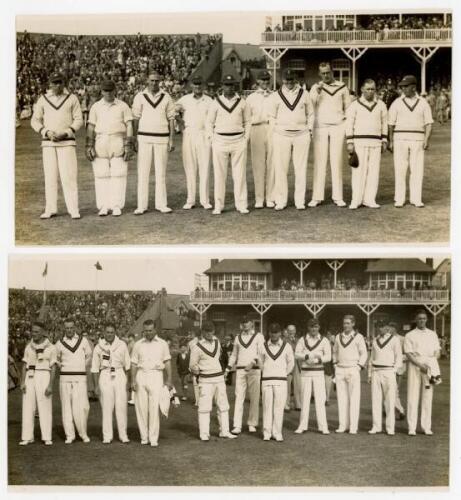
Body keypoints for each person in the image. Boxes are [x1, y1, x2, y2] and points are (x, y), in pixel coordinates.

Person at [31, 72, 83, 219]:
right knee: (50, 177)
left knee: (69, 177)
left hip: (67, 143)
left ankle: (73, 209)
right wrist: (46, 132)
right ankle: (50, 209)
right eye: (54, 82)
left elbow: (78, 120)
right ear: (50, 84)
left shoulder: (72, 98)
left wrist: (66, 132)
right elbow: (35, 121)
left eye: (59, 82)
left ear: (64, 82)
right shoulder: (43, 99)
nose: (57, 85)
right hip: (48, 144)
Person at [86, 79, 134, 216]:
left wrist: (129, 143)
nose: (108, 93)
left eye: (110, 90)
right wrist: (89, 145)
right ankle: (103, 206)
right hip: (101, 140)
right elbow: (91, 126)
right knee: (101, 175)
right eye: (105, 90)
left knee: (119, 174)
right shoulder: (96, 106)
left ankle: (117, 205)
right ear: (101, 91)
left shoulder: (123, 106)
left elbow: (129, 125)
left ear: (115, 90)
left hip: (117, 139)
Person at [268, 69, 314, 210]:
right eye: (287, 80)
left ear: (296, 79)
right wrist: (276, 130)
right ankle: (281, 200)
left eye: (292, 79)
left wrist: (309, 130)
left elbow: (311, 114)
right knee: (281, 168)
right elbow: (271, 116)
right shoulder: (276, 96)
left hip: (301, 134)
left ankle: (299, 201)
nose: (289, 82)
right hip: (282, 135)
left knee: (300, 168)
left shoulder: (304, 94)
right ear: (282, 80)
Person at [206, 74, 251, 215]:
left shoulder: (242, 102)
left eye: (231, 85)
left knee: (240, 175)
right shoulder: (215, 102)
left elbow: (248, 122)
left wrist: (246, 138)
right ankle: (218, 205)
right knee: (220, 175)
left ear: (235, 86)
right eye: (226, 85)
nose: (229, 88)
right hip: (220, 141)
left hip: (238, 140)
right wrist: (212, 138)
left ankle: (241, 204)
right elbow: (209, 122)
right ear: (222, 86)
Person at [132, 72, 176, 214]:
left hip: (162, 138)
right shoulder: (140, 97)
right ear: (147, 81)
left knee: (160, 172)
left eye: (157, 81)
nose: (154, 83)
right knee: (143, 173)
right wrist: (134, 138)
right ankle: (141, 205)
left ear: (160, 82)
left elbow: (171, 119)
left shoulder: (166, 97)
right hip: (144, 138)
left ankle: (161, 204)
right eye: (151, 80)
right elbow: (136, 119)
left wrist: (171, 139)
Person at [309, 62, 351, 208]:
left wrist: (345, 126)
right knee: (320, 162)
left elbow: (348, 108)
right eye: (323, 73)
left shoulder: (342, 87)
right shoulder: (315, 87)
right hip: (320, 127)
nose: (326, 75)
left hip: (338, 127)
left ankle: (338, 197)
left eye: (328, 72)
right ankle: (317, 197)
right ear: (319, 74)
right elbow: (310, 105)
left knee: (336, 161)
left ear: (332, 72)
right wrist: (317, 92)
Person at [388, 75, 433, 208]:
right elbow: (391, 124)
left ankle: (416, 198)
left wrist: (426, 139)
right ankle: (400, 198)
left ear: (414, 87)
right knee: (400, 169)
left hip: (418, 139)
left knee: (417, 169)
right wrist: (391, 141)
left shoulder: (423, 102)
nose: (403, 89)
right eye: (402, 87)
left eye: (406, 86)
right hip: (399, 138)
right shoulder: (397, 102)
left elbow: (429, 123)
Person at [189, 321, 237, 440]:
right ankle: (204, 434)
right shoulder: (197, 347)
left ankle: (224, 431)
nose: (209, 333)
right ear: (202, 332)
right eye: (206, 331)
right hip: (205, 380)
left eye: (211, 331)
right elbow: (192, 365)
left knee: (223, 405)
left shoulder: (217, 342)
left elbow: (219, 358)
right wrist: (201, 373)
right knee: (205, 407)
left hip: (219, 379)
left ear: (214, 331)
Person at [345, 79, 388, 209]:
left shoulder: (381, 105)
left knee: (373, 171)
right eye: (368, 89)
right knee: (358, 171)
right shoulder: (354, 105)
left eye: (373, 89)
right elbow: (349, 124)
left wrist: (384, 139)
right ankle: (356, 200)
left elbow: (384, 123)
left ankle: (369, 199)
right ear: (362, 90)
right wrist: (350, 142)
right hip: (359, 142)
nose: (370, 91)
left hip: (376, 142)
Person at [131, 319, 173, 447]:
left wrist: (169, 379)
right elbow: (133, 363)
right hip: (141, 374)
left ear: (155, 330)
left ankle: (153, 438)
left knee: (154, 407)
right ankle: (144, 437)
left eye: (150, 330)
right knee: (141, 408)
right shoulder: (138, 344)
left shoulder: (162, 344)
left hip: (156, 375)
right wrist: (132, 380)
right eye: (145, 331)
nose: (148, 333)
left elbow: (167, 362)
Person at [175, 76, 213, 210]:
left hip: (204, 134)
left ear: (203, 86)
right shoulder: (184, 100)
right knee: (190, 167)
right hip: (189, 134)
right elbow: (174, 111)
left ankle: (205, 200)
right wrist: (180, 122)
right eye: (195, 85)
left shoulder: (209, 100)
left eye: (200, 84)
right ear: (191, 86)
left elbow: (213, 119)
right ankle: (190, 200)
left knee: (205, 167)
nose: (197, 87)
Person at [91, 323, 131, 444]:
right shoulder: (98, 347)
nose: (109, 334)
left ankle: (123, 435)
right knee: (107, 407)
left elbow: (127, 365)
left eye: (112, 332)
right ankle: (107, 436)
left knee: (121, 407)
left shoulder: (122, 345)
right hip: (105, 375)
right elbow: (94, 368)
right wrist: (96, 386)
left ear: (115, 333)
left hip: (119, 374)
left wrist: (128, 382)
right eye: (107, 332)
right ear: (104, 333)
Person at [19, 321, 57, 446]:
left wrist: (51, 385)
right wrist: (22, 382)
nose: (33, 334)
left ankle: (46, 436)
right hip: (30, 376)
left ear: (43, 333)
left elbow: (53, 367)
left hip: (44, 375)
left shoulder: (51, 347)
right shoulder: (28, 347)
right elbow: (24, 365)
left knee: (44, 406)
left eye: (36, 332)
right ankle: (27, 437)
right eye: (32, 331)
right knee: (28, 406)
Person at [55, 318, 92, 444]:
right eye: (67, 328)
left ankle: (83, 433)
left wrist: (81, 366)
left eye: (71, 327)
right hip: (65, 379)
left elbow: (89, 356)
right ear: (64, 328)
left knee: (82, 407)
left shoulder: (83, 341)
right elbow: (56, 359)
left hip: (80, 378)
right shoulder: (59, 343)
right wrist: (64, 367)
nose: (69, 330)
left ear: (75, 328)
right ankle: (69, 435)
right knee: (66, 408)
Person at [225, 316, 265, 434]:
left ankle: (252, 423)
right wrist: (228, 367)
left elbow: (261, 353)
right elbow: (234, 355)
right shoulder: (238, 338)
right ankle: (237, 425)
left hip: (254, 370)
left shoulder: (258, 336)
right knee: (239, 397)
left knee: (254, 397)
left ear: (252, 323)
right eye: (243, 322)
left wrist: (253, 363)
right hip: (240, 370)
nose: (245, 324)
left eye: (247, 322)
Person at [404, 310, 441, 435]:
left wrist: (431, 364)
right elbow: (408, 354)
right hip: (415, 365)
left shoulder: (432, 334)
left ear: (426, 320)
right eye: (419, 318)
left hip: (429, 366)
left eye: (424, 318)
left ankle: (426, 427)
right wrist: (421, 365)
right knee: (412, 396)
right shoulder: (410, 335)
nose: (422, 320)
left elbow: (437, 351)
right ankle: (412, 427)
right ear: (416, 319)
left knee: (427, 396)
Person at [294, 318, 331, 434]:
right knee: (305, 399)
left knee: (320, 399)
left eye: (315, 326)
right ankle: (302, 426)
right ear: (308, 328)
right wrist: (306, 357)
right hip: (305, 372)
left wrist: (318, 359)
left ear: (319, 327)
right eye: (311, 326)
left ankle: (323, 426)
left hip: (318, 372)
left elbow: (329, 357)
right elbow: (296, 354)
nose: (313, 329)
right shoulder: (302, 340)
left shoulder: (324, 340)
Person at [259, 322, 295, 441]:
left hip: (281, 381)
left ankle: (277, 432)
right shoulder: (263, 346)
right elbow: (260, 363)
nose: (273, 335)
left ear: (280, 333)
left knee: (279, 407)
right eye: (271, 332)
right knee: (267, 406)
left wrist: (283, 374)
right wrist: (267, 372)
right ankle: (267, 432)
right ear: (268, 333)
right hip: (267, 380)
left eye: (276, 332)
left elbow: (291, 363)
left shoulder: (287, 346)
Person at [332, 315, 368, 434]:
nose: (345, 325)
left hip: (353, 369)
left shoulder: (359, 337)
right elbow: (335, 352)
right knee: (342, 399)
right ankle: (343, 425)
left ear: (353, 324)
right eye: (344, 323)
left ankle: (353, 427)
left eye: (348, 323)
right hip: (340, 369)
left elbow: (364, 354)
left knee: (354, 398)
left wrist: (358, 367)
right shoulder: (338, 337)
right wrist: (335, 364)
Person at [245, 70, 275, 208]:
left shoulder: (274, 96)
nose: (265, 83)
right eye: (262, 80)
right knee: (258, 164)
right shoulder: (251, 98)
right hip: (256, 129)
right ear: (258, 81)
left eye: (267, 80)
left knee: (272, 163)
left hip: (271, 129)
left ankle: (270, 197)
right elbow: (246, 118)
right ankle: (259, 198)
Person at [367, 323, 403, 435]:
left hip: (389, 371)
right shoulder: (375, 340)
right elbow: (371, 358)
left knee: (390, 400)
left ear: (387, 328)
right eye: (378, 326)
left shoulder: (394, 340)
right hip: (376, 372)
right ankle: (376, 426)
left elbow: (399, 357)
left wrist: (394, 370)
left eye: (382, 326)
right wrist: (369, 374)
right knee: (376, 400)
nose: (380, 328)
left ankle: (390, 428)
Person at [284, 324, 302, 410]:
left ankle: (297, 404)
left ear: (295, 331)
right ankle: (286, 404)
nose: (291, 332)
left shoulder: (299, 340)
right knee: (287, 385)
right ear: (287, 331)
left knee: (297, 385)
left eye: (293, 330)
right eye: (289, 330)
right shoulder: (283, 341)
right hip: (287, 365)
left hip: (297, 365)